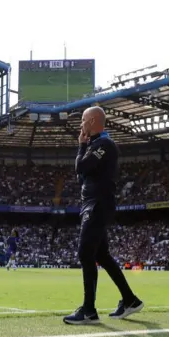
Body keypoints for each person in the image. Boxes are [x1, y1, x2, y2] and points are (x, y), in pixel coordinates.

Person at [63, 106, 143, 325]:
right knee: (102, 256)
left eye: (83, 120)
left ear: (93, 120)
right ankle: (130, 300)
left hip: (98, 205)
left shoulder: (105, 145)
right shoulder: (94, 144)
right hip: (92, 204)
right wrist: (84, 146)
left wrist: (80, 145)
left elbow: (81, 167)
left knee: (85, 253)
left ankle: (89, 310)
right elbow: (82, 171)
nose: (81, 124)